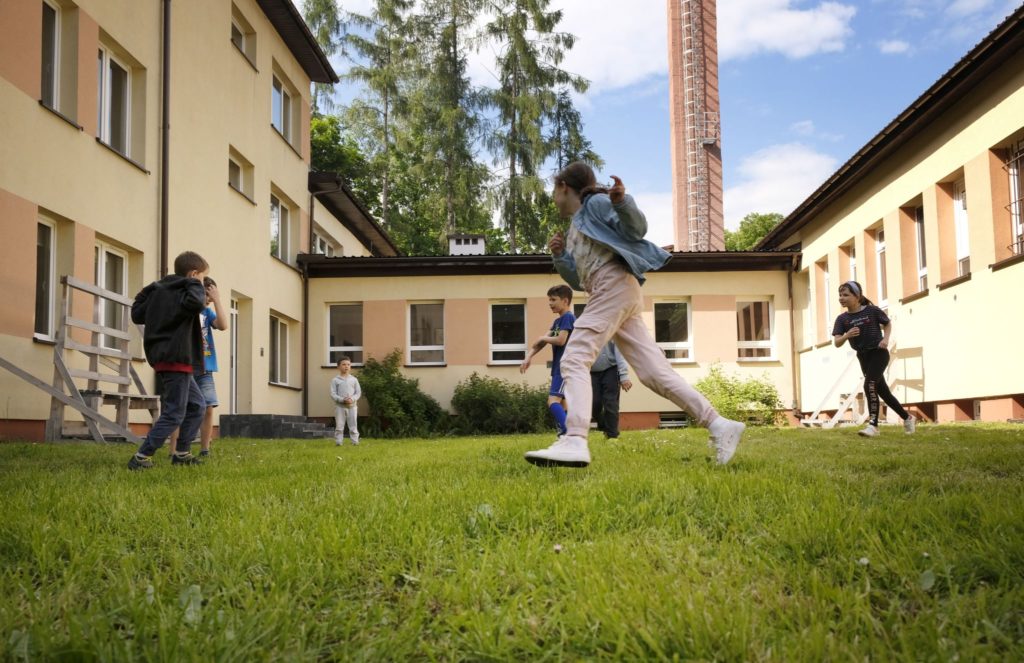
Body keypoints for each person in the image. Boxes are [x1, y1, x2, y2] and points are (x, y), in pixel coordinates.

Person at [523, 162, 746, 468]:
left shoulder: (595, 204)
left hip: (612, 285)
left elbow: (636, 229)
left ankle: (574, 439)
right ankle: (719, 424)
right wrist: (561, 255)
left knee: (574, 358)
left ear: (563, 187)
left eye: (554, 191)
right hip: (612, 291)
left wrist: (621, 203)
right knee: (655, 373)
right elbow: (578, 281)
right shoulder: (576, 227)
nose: (554, 198)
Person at [127, 251, 209, 469]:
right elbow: (197, 302)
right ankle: (141, 456)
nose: (202, 284)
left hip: (171, 359)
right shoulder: (186, 292)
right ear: (193, 274)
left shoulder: (162, 292)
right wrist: (194, 283)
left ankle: (181, 453)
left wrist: (151, 288)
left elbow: (137, 312)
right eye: (201, 278)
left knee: (197, 405)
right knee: (174, 412)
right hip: (176, 359)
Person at [832, 280, 916, 437]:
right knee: (883, 392)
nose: (841, 298)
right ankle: (908, 417)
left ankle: (873, 426)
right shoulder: (842, 319)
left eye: (846, 295)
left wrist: (885, 339)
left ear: (857, 296)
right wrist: (846, 335)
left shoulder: (872, 311)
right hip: (863, 356)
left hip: (878, 353)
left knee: (869, 384)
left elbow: (887, 323)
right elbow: (837, 342)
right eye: (840, 295)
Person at [165, 277, 227, 457]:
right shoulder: (186, 310)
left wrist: (217, 300)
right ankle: (174, 450)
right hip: (186, 367)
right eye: (207, 294)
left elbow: (223, 325)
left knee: (208, 408)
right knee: (181, 409)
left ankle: (204, 449)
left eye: (211, 295)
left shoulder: (207, 313)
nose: (209, 299)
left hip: (205, 368)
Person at [519, 285, 575, 438]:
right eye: (549, 300)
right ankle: (565, 435)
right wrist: (528, 357)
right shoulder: (557, 322)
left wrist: (543, 338)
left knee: (552, 401)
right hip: (559, 367)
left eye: (553, 300)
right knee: (562, 402)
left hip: (566, 366)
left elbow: (561, 340)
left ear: (565, 301)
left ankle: (568, 432)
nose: (550, 303)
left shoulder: (568, 317)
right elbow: (541, 343)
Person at [591, 341, 633, 439]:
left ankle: (612, 435)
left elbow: (619, 352)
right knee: (593, 404)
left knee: (610, 403)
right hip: (590, 371)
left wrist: (624, 376)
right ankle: (605, 427)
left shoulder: (611, 331)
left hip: (610, 369)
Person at [331, 356, 361, 446]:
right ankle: (338, 442)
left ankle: (355, 442)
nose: (346, 366)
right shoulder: (335, 380)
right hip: (340, 407)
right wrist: (342, 399)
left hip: (352, 406)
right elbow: (333, 393)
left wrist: (352, 399)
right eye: (343, 364)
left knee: (353, 425)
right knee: (339, 426)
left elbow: (358, 392)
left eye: (348, 364)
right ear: (338, 366)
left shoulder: (354, 379)